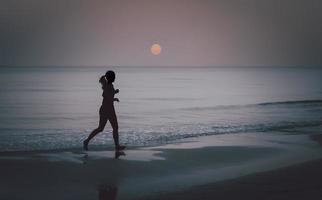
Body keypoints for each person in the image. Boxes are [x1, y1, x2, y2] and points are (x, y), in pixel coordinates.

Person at [83, 70, 125, 151]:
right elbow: (107, 97)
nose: (115, 78)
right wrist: (114, 96)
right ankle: (86, 141)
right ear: (111, 78)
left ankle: (117, 146)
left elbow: (107, 95)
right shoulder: (109, 86)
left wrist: (114, 93)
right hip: (107, 110)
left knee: (112, 128)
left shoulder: (108, 85)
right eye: (114, 76)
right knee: (104, 128)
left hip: (107, 109)